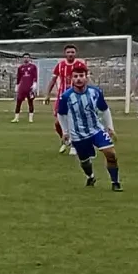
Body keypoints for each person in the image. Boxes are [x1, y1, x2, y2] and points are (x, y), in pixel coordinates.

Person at [57, 60, 121, 191]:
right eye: (76, 76)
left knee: (111, 154)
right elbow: (61, 114)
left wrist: (110, 127)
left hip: (96, 130)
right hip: (78, 134)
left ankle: (115, 182)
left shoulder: (95, 92)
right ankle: (90, 176)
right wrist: (65, 132)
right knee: (84, 160)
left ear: (86, 77)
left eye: (81, 76)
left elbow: (104, 110)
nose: (79, 79)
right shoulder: (66, 96)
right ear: (71, 78)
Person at [46, 44, 78, 153]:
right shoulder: (60, 66)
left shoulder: (79, 65)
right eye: (68, 52)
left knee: (74, 121)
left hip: (76, 98)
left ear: (75, 53)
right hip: (61, 98)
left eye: (72, 52)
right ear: (65, 53)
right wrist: (47, 94)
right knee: (57, 123)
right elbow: (53, 80)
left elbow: (87, 80)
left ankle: (74, 145)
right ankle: (65, 140)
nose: (70, 54)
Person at [12, 53, 38, 123]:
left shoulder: (33, 67)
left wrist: (35, 83)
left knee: (30, 102)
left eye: (27, 57)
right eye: (24, 57)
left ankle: (30, 118)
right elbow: (18, 77)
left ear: (29, 58)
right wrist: (17, 86)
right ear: (23, 59)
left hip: (30, 88)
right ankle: (16, 118)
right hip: (22, 87)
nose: (26, 58)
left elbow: (35, 76)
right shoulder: (20, 67)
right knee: (18, 102)